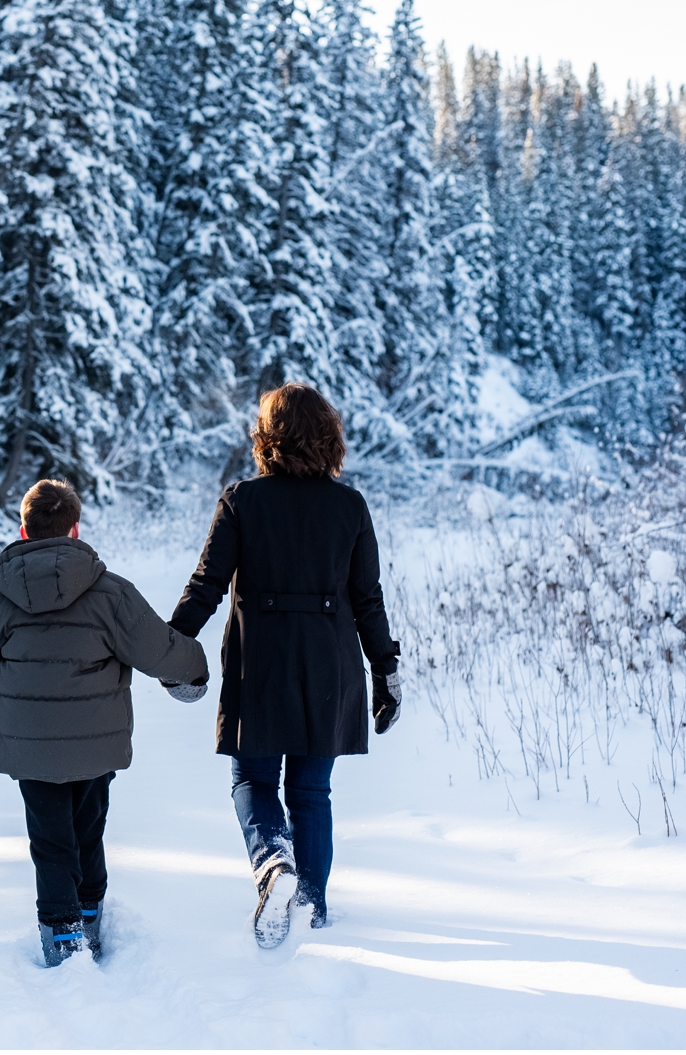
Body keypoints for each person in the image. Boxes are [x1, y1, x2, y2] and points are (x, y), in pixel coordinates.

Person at [0, 479, 207, 966]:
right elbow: (157, 647)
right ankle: (89, 912)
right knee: (89, 825)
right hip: (95, 743)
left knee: (49, 835)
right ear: (74, 528)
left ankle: (61, 932)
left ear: (23, 531)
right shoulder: (110, 593)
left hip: (30, 747)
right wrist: (194, 669)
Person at [169, 383, 402, 948]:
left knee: (252, 777)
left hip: (262, 663)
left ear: (267, 437)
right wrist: (386, 672)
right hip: (330, 664)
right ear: (329, 436)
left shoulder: (242, 500)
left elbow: (207, 584)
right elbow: (367, 597)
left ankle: (273, 863)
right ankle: (312, 907)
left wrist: (173, 646)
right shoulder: (350, 506)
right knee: (310, 791)